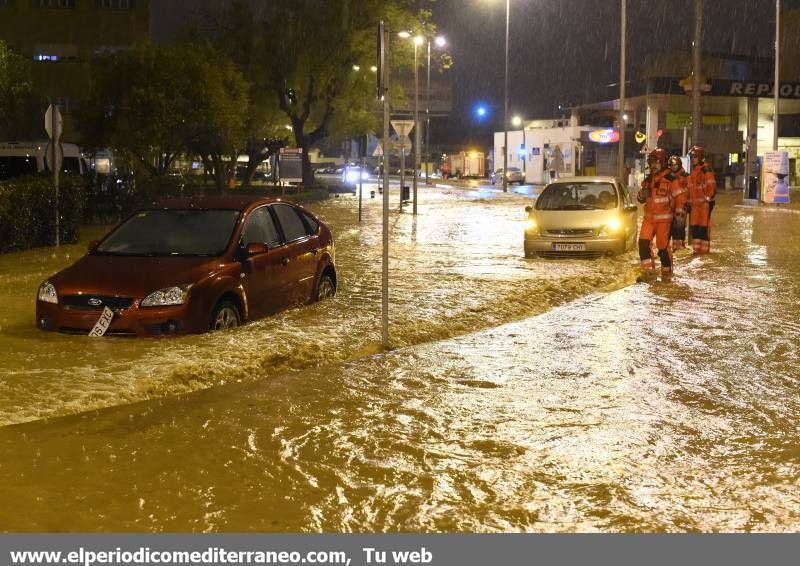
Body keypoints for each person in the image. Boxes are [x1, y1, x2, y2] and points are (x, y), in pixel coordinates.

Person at [637, 148, 682, 278]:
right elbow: (641, 199)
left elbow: (680, 198)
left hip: (665, 220)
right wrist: (641, 195)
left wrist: (679, 217)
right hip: (649, 219)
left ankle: (667, 274)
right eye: (651, 162)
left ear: (663, 163)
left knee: (662, 249)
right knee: (643, 244)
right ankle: (648, 273)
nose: (653, 165)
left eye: (657, 162)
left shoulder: (671, 179)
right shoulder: (648, 180)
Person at [686, 145, 717, 254]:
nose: (693, 159)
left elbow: (711, 187)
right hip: (695, 207)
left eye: (694, 157)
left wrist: (708, 201)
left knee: (703, 230)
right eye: (692, 157)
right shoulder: (694, 172)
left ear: (700, 157)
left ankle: (704, 254)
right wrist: (688, 203)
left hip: (704, 207)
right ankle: (696, 252)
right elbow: (690, 190)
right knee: (695, 230)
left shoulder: (705, 170)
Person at [667, 155, 690, 251]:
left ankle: (680, 247)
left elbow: (690, 190)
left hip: (681, 206)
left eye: (675, 165)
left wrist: (689, 203)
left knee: (680, 228)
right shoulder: (669, 177)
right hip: (671, 207)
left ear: (679, 165)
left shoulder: (686, 176)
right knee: (672, 228)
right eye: (671, 165)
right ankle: (675, 247)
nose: (673, 167)